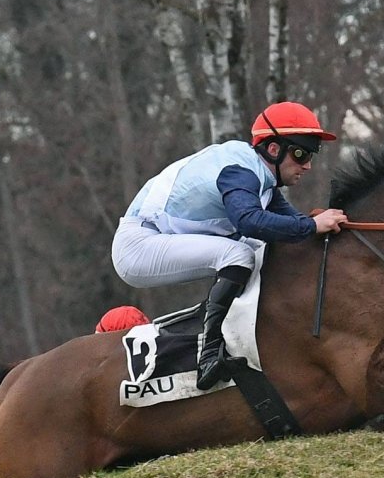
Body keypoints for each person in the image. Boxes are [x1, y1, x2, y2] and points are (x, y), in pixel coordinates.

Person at [111, 101, 348, 390]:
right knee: (239, 253)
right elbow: (250, 221)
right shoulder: (240, 172)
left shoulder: (261, 178)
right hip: (137, 246)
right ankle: (208, 355)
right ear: (274, 149)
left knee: (260, 250)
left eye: (311, 155)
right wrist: (312, 226)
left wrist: (324, 223)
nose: (307, 165)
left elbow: (291, 225)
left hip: (156, 237)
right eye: (301, 154)